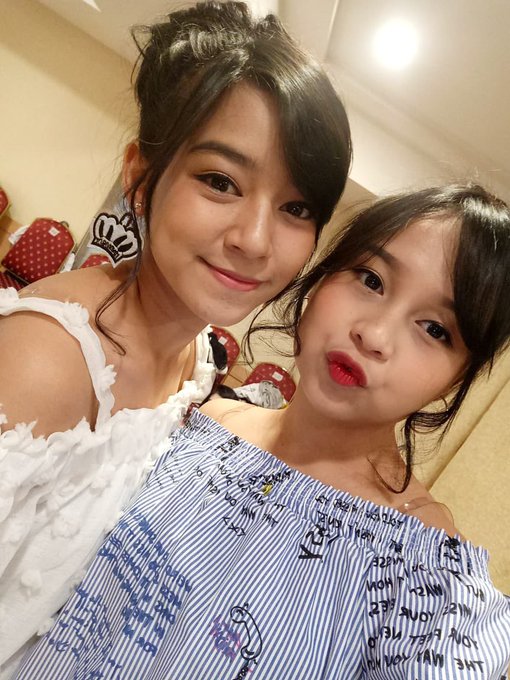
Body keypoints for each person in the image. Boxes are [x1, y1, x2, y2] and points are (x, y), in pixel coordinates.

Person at [13, 184, 510, 679]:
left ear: (455, 380)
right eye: (371, 279)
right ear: (323, 277)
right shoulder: (206, 423)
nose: (373, 335)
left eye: (435, 329)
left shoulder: (421, 571)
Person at [0, 1, 352, 672]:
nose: (255, 240)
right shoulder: (45, 360)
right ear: (140, 179)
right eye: (220, 181)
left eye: (295, 207)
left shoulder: (199, 362)